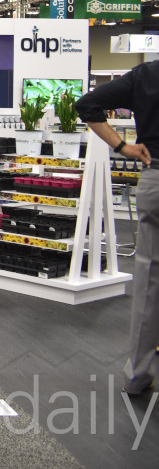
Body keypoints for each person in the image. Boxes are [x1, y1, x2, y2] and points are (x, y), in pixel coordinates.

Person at [76, 63, 158, 397]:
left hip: (156, 179)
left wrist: (123, 147)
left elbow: (87, 105)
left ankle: (137, 375)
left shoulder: (148, 75)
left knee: (150, 280)